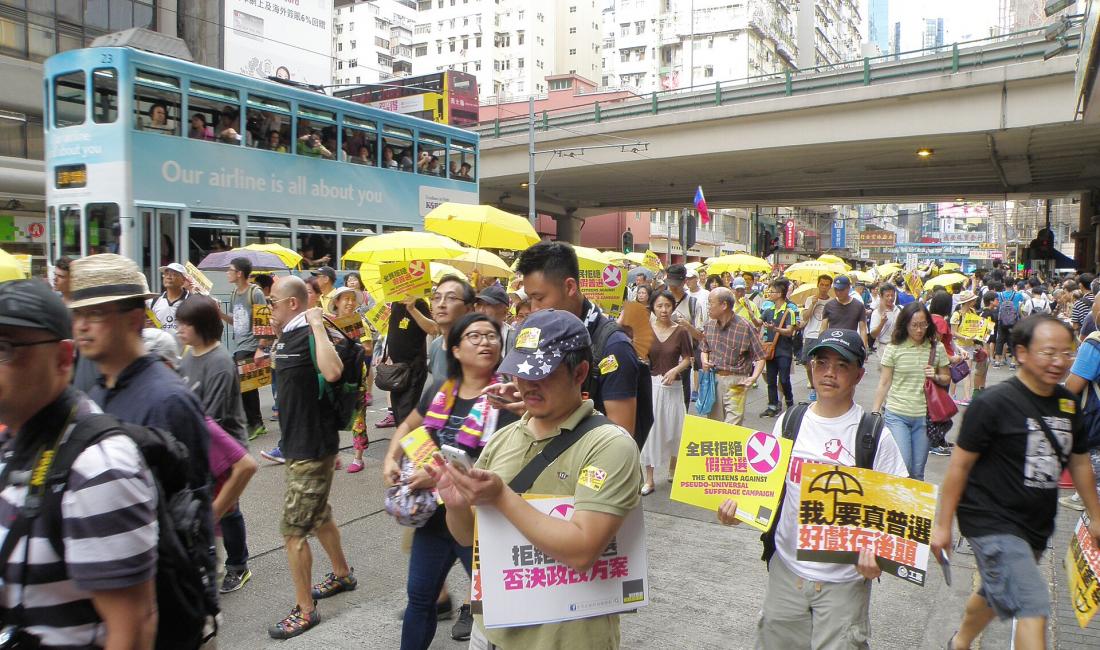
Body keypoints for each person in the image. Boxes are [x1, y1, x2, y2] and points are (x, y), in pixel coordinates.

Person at [424, 309, 642, 649]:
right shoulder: (504, 437)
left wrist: (500, 497)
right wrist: (455, 504)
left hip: (563, 640)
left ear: (580, 372)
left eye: (541, 373)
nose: (527, 384)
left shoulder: (609, 445)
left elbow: (583, 549)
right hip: (490, 629)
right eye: (520, 372)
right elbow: (469, 537)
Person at [717, 329, 907, 650]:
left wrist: (880, 554)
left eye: (842, 365)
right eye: (821, 362)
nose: (829, 372)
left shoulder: (873, 436)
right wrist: (736, 511)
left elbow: (900, 511)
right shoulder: (790, 421)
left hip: (844, 584)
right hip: (786, 572)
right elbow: (763, 487)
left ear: (859, 374)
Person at [0, 280, 159, 648]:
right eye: (80, 314)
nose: (86, 325)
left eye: (6, 348)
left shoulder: (99, 466)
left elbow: (132, 629)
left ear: (61, 358)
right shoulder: (15, 439)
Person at [68, 254, 217, 632]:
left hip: (159, 605)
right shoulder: (97, 391)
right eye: (78, 314)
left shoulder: (167, 399)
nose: (82, 327)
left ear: (134, 319)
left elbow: (192, 510)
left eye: (96, 314)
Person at [932, 314, 1100, 650]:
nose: (1059, 362)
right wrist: (942, 524)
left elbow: (1079, 461)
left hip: (1035, 524)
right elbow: (959, 467)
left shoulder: (1067, 404)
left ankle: (961, 641)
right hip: (989, 519)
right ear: (1021, 353)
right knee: (1032, 603)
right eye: (1048, 352)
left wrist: (1096, 517)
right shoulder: (994, 403)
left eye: (1066, 353)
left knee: (997, 590)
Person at [383, 313, 516, 649]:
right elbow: (410, 425)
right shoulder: (442, 391)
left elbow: (508, 466)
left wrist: (440, 476)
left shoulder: (507, 398)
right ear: (455, 349)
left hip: (483, 524)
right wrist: (391, 457)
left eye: (491, 335)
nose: (485, 341)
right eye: (474, 336)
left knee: (498, 607)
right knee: (419, 600)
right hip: (435, 521)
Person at [266, 276, 356, 639]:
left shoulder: (311, 332)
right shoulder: (287, 335)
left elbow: (333, 372)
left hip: (311, 448)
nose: (267, 307)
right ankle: (342, 573)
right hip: (301, 444)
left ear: (292, 303)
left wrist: (318, 324)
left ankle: (305, 610)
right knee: (319, 515)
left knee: (293, 532)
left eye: (272, 301)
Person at [514, 242, 646, 441]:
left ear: (570, 287)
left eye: (539, 298)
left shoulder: (613, 347)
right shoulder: (543, 336)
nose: (533, 308)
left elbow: (621, 441)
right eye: (530, 299)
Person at [176, 295, 255, 594]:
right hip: (195, 443)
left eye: (186, 325)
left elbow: (214, 415)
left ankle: (238, 564)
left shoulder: (220, 362)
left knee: (228, 507)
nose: (180, 329)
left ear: (203, 326)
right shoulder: (189, 353)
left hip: (223, 448)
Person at [871, 302, 951, 480]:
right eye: (914, 325)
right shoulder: (894, 348)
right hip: (897, 414)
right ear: (905, 324)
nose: (919, 329)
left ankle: (914, 508)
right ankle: (897, 506)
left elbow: (947, 377)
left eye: (923, 324)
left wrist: (936, 376)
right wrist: (875, 411)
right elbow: (884, 382)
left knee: (917, 472)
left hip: (924, 418)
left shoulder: (936, 348)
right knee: (903, 467)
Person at [642, 290, 693, 495]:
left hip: (673, 388)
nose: (664, 310)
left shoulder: (680, 331)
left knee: (675, 430)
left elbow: (689, 359)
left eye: (668, 306)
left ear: (673, 307)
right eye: (660, 306)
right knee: (651, 432)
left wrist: (675, 370)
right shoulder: (646, 330)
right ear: (653, 307)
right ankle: (650, 479)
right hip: (652, 386)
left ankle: (673, 470)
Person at [701, 287, 765, 425]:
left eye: (710, 303)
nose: (708, 307)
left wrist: (753, 378)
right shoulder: (709, 325)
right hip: (715, 379)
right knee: (714, 424)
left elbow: (760, 356)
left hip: (737, 381)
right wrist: (705, 361)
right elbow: (704, 349)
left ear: (724, 305)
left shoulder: (745, 326)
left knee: (732, 425)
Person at [222, 257, 268, 441]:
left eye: (230, 270)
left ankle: (255, 424)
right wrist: (219, 314)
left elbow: (263, 321)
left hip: (250, 345)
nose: (227, 272)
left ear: (239, 273)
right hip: (239, 345)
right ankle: (254, 423)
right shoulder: (234, 294)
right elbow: (236, 320)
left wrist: (260, 348)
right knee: (245, 386)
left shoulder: (255, 292)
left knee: (246, 386)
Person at [379, 291, 437, 428]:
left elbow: (432, 328)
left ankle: (412, 447)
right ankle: (407, 445)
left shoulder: (419, 302)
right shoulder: (394, 303)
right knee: (399, 413)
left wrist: (412, 309)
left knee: (406, 415)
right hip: (396, 369)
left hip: (413, 368)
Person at [759, 279, 799, 418]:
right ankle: (772, 405)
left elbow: (790, 331)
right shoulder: (768, 310)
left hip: (784, 350)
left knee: (783, 379)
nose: (770, 293)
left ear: (780, 293)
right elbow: (758, 322)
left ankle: (789, 403)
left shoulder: (790, 311)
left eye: (772, 291)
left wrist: (775, 329)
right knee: (770, 379)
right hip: (771, 350)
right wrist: (748, 310)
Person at [800, 274, 833, 402]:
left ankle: (820, 388)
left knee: (822, 363)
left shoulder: (832, 302)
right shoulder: (810, 299)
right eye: (822, 284)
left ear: (830, 287)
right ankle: (813, 385)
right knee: (808, 365)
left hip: (824, 335)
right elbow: (805, 318)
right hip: (810, 335)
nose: (824, 287)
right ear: (818, 285)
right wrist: (813, 304)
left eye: (827, 285)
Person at [819, 275, 868, 347]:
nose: (838, 292)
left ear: (848, 288)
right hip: (832, 344)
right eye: (836, 289)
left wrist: (864, 348)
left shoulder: (858, 306)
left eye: (841, 290)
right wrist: (820, 345)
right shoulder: (829, 305)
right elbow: (823, 328)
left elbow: (863, 330)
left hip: (850, 345)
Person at [474, 283, 515, 357]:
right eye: (479, 304)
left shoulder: (514, 339)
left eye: (488, 305)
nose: (481, 310)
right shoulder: (466, 335)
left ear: (504, 312)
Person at [150, 262, 190, 334]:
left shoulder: (191, 301)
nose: (168, 277)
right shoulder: (155, 301)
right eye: (166, 274)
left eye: (174, 274)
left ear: (183, 280)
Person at [868, 282, 900, 352]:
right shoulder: (876, 313)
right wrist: (882, 322)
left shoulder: (899, 310)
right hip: (882, 348)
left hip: (897, 348)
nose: (890, 298)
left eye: (892, 295)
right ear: (881, 296)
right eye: (887, 295)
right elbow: (873, 335)